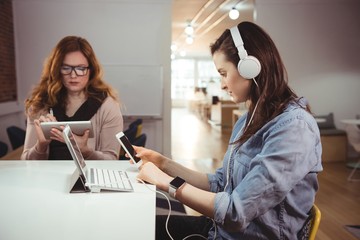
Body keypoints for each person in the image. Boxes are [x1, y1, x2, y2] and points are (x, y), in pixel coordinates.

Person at [134, 21, 323, 239]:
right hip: (219, 230)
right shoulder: (247, 120)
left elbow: (235, 212)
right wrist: (163, 163)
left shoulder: (294, 128)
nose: (222, 84)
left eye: (224, 73)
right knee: (141, 225)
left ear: (251, 67)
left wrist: (165, 182)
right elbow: (220, 183)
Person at [21, 36, 123, 160]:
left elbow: (112, 160)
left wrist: (86, 152)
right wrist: (40, 146)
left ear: (91, 70)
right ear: (56, 69)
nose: (73, 75)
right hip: (48, 178)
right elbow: (25, 162)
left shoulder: (108, 106)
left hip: (88, 179)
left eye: (81, 68)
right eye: (66, 68)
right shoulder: (39, 104)